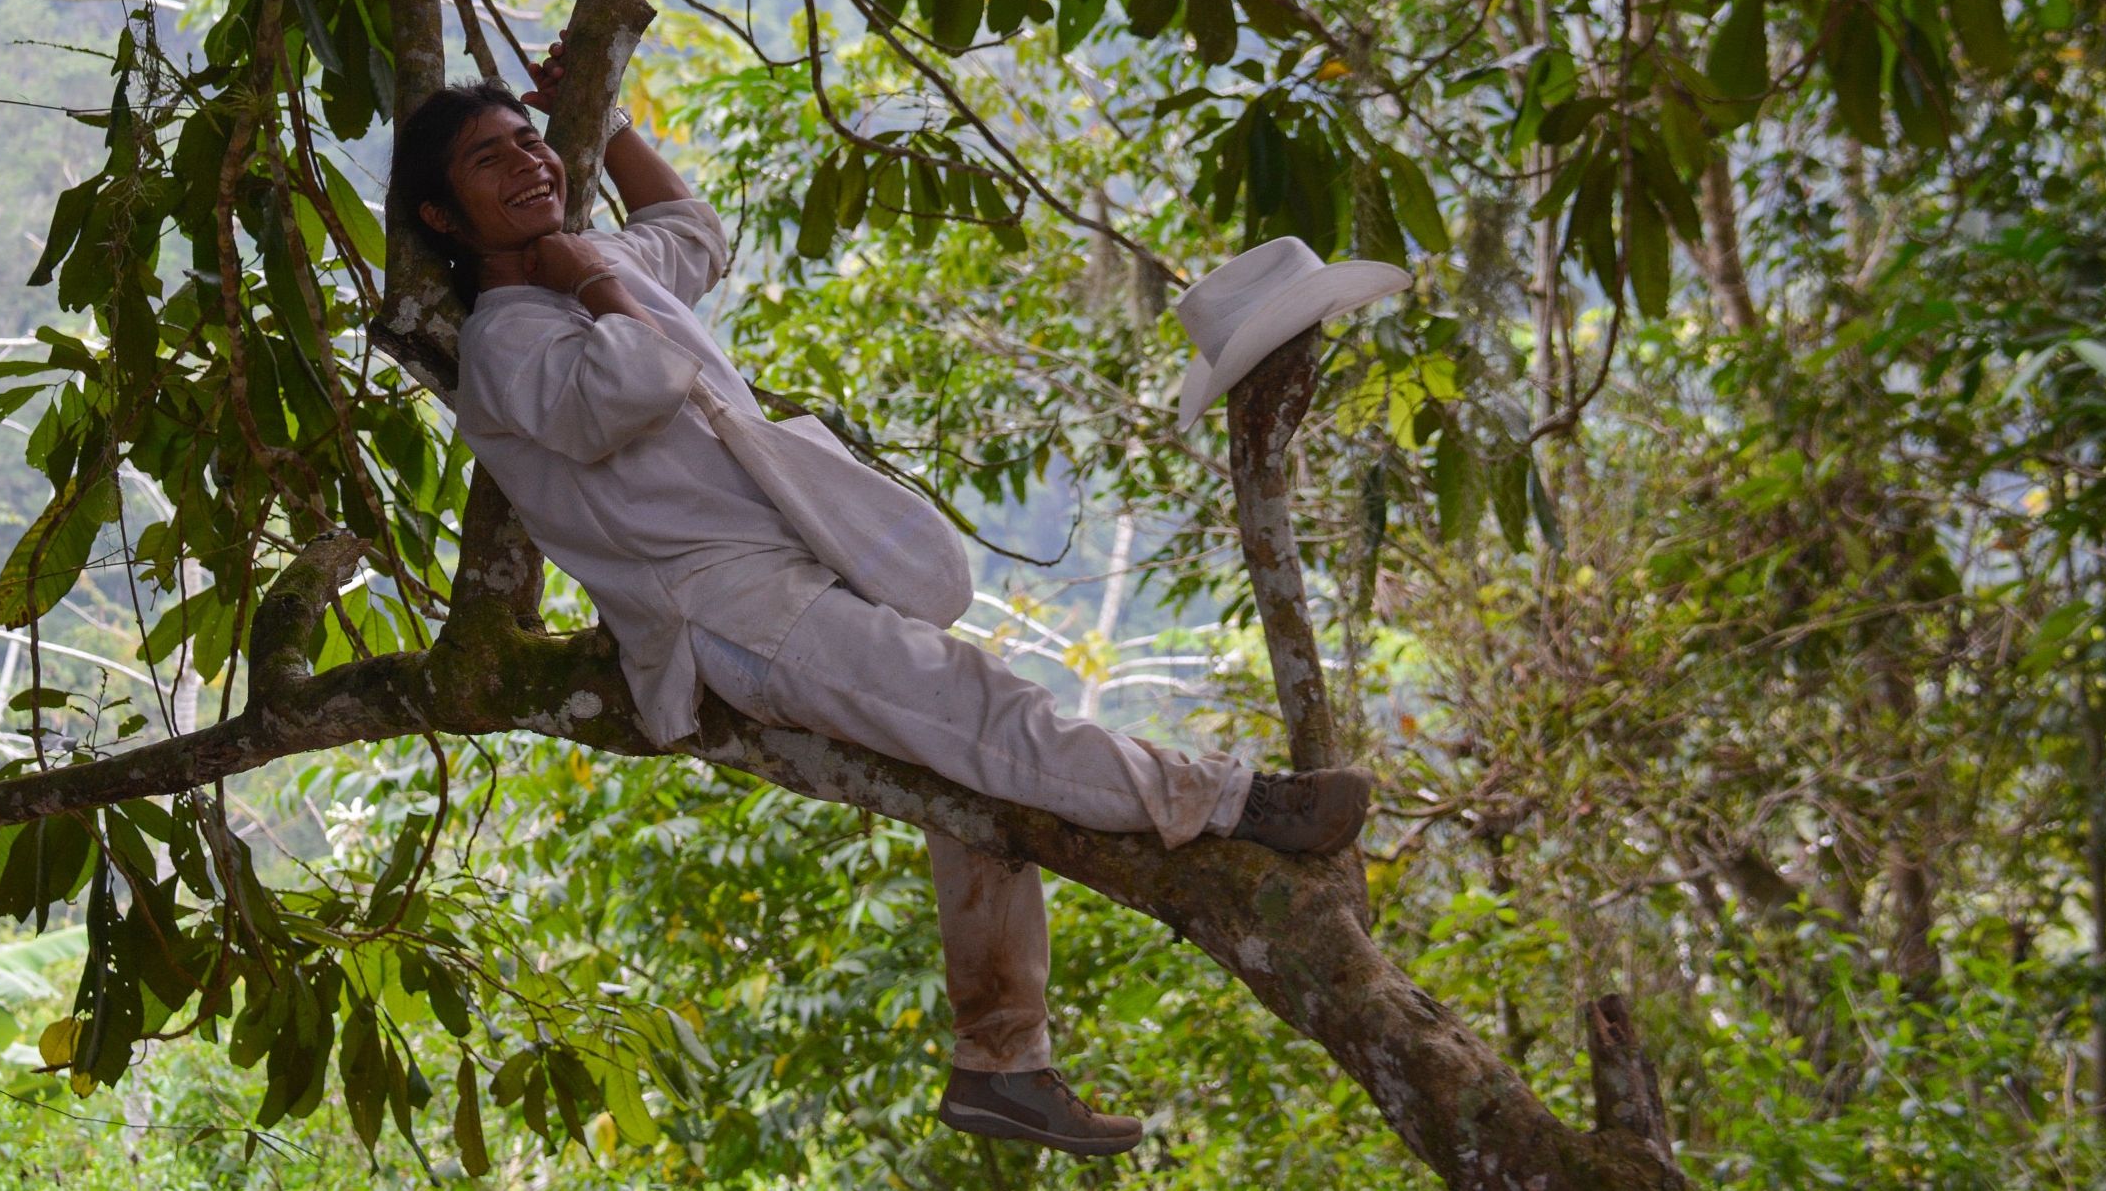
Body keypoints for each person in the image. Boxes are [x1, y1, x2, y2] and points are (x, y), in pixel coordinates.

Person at [386, 57, 1375, 1157]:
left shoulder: (598, 259)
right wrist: (588, 276)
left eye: (531, 140)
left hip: (791, 565)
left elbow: (693, 229)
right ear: (441, 215)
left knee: (970, 777)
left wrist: (606, 126)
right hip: (727, 611)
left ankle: (1003, 1063)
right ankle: (1237, 802)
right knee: (974, 707)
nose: (527, 161)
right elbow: (633, 384)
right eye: (490, 159)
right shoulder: (509, 338)